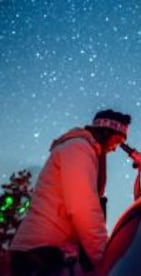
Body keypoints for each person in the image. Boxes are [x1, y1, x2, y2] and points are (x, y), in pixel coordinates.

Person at [9, 109, 131, 275]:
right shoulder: (78, 149)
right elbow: (83, 207)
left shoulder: (83, 150)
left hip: (49, 251)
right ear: (105, 131)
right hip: (40, 254)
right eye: (117, 141)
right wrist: (105, 259)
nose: (115, 149)